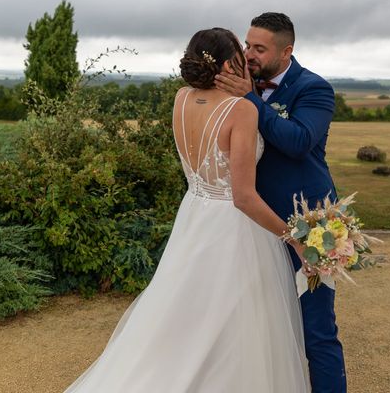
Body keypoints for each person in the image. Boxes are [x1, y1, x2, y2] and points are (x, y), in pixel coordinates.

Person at [64, 28, 310, 392]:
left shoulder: (181, 98)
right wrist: (294, 238)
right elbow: (243, 196)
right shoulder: (240, 110)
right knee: (236, 322)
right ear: (228, 64)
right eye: (240, 55)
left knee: (186, 309)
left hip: (195, 212)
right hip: (234, 226)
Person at [215, 12, 347, 393]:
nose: (248, 54)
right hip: (255, 223)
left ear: (287, 50)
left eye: (259, 48)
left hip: (310, 223)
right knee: (260, 325)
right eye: (246, 44)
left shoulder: (314, 89)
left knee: (317, 329)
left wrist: (251, 99)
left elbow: (297, 141)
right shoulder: (242, 85)